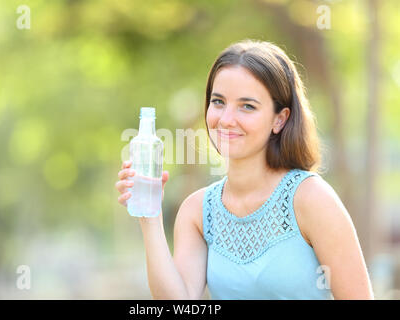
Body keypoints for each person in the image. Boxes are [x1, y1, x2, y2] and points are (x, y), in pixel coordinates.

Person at [115, 39, 374, 300]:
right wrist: (150, 217)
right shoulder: (197, 211)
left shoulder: (311, 198)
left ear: (279, 119)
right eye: (218, 102)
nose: (226, 119)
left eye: (247, 106)